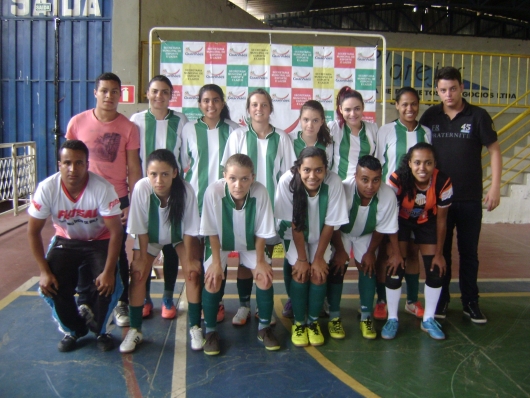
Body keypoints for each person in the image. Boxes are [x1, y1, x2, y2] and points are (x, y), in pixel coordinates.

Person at [419, 66, 501, 323]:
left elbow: (495, 151)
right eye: (443, 90)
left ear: (462, 87)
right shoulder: (430, 116)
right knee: (440, 252)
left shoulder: (478, 116)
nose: (449, 94)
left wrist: (495, 187)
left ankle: (471, 302)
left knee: (469, 253)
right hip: (438, 199)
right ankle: (441, 300)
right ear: (437, 91)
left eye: (453, 88)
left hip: (468, 198)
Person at [27, 140, 123, 352]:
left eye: (79, 163)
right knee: (50, 286)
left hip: (99, 240)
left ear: (87, 164)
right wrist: (43, 272)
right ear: (59, 164)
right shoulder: (47, 188)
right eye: (67, 163)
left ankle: (101, 329)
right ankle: (73, 329)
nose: (73, 169)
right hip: (66, 240)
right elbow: (33, 232)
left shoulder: (102, 188)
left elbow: (116, 232)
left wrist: (108, 272)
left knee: (110, 284)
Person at [66, 72, 142, 328]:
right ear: (95, 93)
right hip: (84, 199)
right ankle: (84, 300)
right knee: (83, 248)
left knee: (116, 251)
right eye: (104, 91)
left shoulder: (129, 128)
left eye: (114, 92)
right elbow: (68, 162)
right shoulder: (77, 123)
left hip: (116, 198)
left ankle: (120, 302)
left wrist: (132, 201)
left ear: (121, 95)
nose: (109, 96)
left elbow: (134, 166)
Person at [221, 88, 296, 326]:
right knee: (244, 260)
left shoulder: (282, 138)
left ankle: (263, 307)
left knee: (265, 258)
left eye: (264, 105)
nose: (259, 109)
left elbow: (288, 177)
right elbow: (228, 175)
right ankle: (244, 305)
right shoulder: (238, 136)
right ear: (248, 109)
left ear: (271, 109)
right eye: (254, 105)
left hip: (273, 209)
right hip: (244, 207)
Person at [120, 149, 201, 353]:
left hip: (179, 237)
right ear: (147, 173)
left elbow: (190, 230)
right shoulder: (140, 188)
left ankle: (195, 327)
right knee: (138, 274)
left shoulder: (186, 190)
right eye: (153, 174)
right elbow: (140, 228)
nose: (159, 180)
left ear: (175, 172)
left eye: (164, 174)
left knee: (192, 274)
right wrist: (140, 258)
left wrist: (190, 260)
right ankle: (136, 329)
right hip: (151, 237)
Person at [200, 154, 279, 354]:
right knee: (212, 278)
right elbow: (211, 231)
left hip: (251, 241)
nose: (238, 184)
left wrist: (260, 262)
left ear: (253, 177)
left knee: (264, 277)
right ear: (224, 175)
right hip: (221, 242)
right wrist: (217, 263)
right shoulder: (213, 192)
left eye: (245, 179)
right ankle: (210, 332)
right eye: (233, 178)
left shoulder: (260, 192)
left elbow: (262, 232)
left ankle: (264, 329)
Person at [275, 147, 348, 347]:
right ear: (299, 168)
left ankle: (313, 322)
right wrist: (302, 259)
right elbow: (295, 223)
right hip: (294, 233)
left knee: (319, 273)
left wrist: (317, 259)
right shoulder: (286, 182)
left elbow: (330, 223)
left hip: (321, 233)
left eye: (318, 170)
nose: (312, 175)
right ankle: (299, 323)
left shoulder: (333, 182)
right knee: (300, 272)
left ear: (326, 170)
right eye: (307, 170)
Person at [130, 75, 188, 320]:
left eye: (165, 92)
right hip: (145, 193)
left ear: (170, 95)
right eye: (155, 91)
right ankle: (143, 298)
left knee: (171, 245)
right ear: (147, 93)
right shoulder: (136, 120)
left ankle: (167, 297)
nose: (159, 96)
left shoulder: (181, 120)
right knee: (142, 247)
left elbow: (184, 157)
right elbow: (133, 158)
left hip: (171, 190)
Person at [181, 84, 240, 323]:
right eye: (206, 100)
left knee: (219, 255)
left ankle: (217, 302)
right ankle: (196, 301)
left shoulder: (235, 130)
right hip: (193, 201)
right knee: (194, 255)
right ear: (199, 104)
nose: (211, 105)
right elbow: (184, 162)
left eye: (216, 100)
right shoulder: (189, 129)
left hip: (222, 202)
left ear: (223, 103)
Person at [382, 143, 452, 340]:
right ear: (410, 163)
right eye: (418, 162)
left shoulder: (443, 181)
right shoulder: (397, 180)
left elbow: (441, 220)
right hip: (400, 222)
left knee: (436, 270)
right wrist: (395, 253)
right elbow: (390, 216)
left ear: (435, 164)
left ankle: (428, 319)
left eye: (428, 163)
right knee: (394, 269)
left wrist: (439, 254)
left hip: (427, 222)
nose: (423, 168)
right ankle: (393, 318)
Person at [375, 87, 432, 320]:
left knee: (412, 251)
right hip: (390, 202)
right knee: (386, 252)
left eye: (414, 104)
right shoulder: (386, 131)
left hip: (417, 203)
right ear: (396, 106)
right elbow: (379, 164)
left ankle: (411, 300)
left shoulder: (426, 132)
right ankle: (381, 301)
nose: (410, 108)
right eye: (404, 104)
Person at [330, 155, 402, 339]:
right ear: (355, 176)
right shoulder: (343, 189)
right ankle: (334, 316)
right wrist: (340, 250)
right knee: (338, 267)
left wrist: (370, 252)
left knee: (368, 267)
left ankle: (366, 316)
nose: (370, 186)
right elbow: (334, 224)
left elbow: (383, 228)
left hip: (366, 235)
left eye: (375, 180)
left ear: (381, 177)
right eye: (365, 180)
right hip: (342, 233)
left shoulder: (387, 195)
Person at [283, 100, 334, 318]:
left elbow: (330, 175)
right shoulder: (289, 141)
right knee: (292, 255)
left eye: (315, 120)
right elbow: (284, 171)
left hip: (319, 205)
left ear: (322, 121)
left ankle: (318, 299)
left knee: (321, 255)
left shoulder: (329, 144)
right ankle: (293, 300)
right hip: (293, 203)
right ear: (299, 120)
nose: (310, 125)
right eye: (305, 120)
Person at [328, 87, 377, 180]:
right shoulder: (334, 128)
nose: (353, 114)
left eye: (357, 109)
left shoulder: (373, 129)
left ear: (363, 107)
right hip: (340, 186)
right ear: (340, 109)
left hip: (365, 187)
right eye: (347, 110)